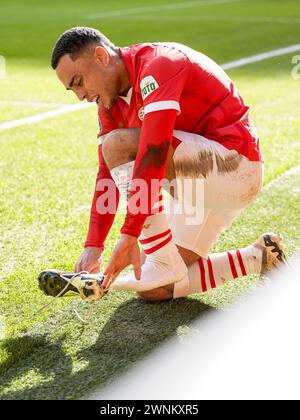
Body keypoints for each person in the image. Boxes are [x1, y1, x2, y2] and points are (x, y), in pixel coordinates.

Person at [39, 27, 287, 303]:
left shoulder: (159, 63)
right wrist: (93, 247)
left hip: (236, 168)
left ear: (101, 56)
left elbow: (154, 150)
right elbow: (106, 174)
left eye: (79, 81)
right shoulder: (109, 103)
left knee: (118, 144)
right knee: (151, 286)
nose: (80, 95)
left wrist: (130, 234)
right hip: (196, 186)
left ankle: (162, 259)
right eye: (71, 89)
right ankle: (260, 256)